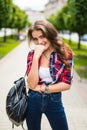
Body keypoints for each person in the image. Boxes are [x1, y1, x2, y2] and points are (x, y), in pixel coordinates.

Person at [26, 20, 74, 130]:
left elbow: (66, 84)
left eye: (42, 36)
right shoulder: (32, 54)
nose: (39, 42)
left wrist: (44, 88)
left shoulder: (65, 53)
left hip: (54, 100)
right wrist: (36, 57)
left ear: (50, 34)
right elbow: (31, 84)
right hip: (33, 99)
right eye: (35, 39)